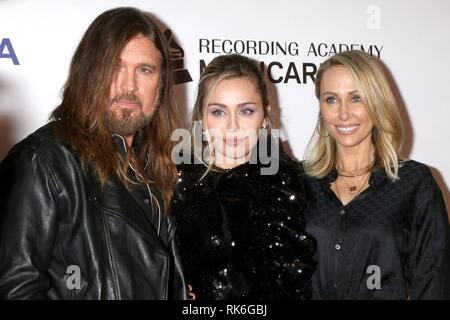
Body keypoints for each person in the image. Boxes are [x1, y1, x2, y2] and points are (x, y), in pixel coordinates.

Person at [0, 7, 187, 299]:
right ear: (89, 72)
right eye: (115, 66)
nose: (129, 86)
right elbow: (15, 290)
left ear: (161, 84)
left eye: (145, 70)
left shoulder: (157, 169)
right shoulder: (42, 160)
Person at [302, 50, 450, 299]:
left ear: (377, 102)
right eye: (331, 99)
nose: (343, 113)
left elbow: (433, 281)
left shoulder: (414, 182)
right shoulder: (300, 182)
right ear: (321, 108)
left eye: (356, 98)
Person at [171, 54, 316, 300]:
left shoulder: (294, 185)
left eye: (246, 111)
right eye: (218, 112)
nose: (233, 125)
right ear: (201, 118)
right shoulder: (173, 184)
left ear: (265, 117)